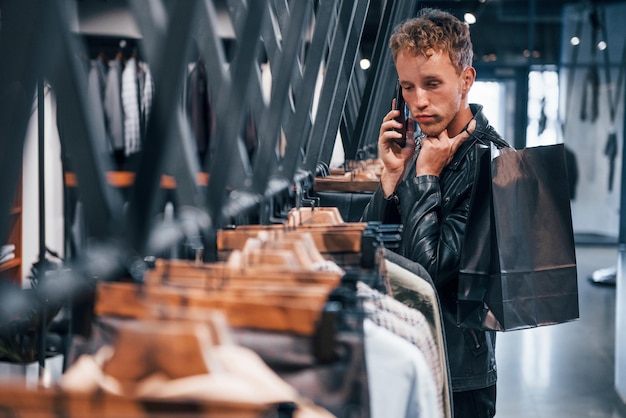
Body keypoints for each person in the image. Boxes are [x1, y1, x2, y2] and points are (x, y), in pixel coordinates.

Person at [362, 8, 511, 418]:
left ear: (466, 80)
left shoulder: (489, 163)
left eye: (431, 84)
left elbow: (425, 270)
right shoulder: (425, 148)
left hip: (460, 372)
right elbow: (380, 251)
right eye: (407, 88)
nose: (418, 102)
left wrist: (425, 177)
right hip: (410, 347)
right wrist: (392, 180)